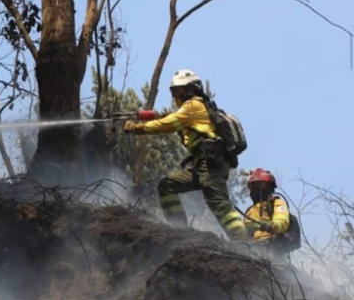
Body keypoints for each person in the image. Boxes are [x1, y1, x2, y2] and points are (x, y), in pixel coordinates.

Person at [124, 69, 246, 239]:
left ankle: (242, 241)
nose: (176, 95)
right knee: (167, 185)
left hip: (212, 163)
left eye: (179, 90)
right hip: (201, 164)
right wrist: (153, 117)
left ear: (191, 89)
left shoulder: (194, 105)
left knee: (219, 204)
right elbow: (172, 120)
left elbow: (168, 124)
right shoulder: (193, 109)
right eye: (174, 91)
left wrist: (138, 127)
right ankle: (179, 229)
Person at [243, 168, 290, 245]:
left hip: (271, 244)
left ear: (269, 186)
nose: (256, 189)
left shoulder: (276, 203)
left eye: (260, 185)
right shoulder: (250, 210)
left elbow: (282, 222)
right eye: (253, 187)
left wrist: (270, 226)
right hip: (252, 246)